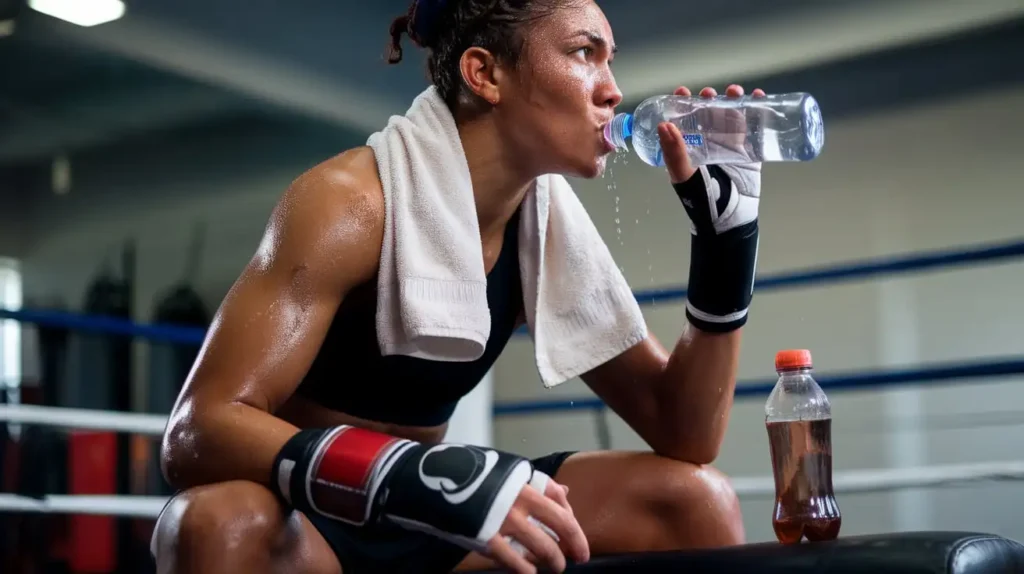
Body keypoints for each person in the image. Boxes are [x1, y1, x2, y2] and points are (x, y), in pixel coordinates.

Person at [151, 0, 764, 572]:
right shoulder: (349, 203)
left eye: (609, 60)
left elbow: (685, 433)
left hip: (443, 514)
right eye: (584, 54)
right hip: (312, 522)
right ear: (484, 73)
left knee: (695, 500)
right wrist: (405, 476)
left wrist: (726, 247)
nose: (613, 89)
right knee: (214, 522)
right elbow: (196, 431)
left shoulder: (540, 221)